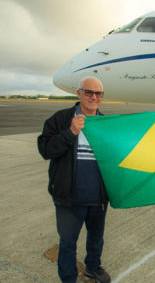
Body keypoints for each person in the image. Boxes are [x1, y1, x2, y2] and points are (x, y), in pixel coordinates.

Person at [38, 76, 111, 283]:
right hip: (69, 197)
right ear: (79, 93)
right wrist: (70, 132)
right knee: (68, 241)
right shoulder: (60, 119)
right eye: (89, 92)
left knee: (96, 239)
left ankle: (92, 268)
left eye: (98, 94)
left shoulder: (105, 123)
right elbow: (45, 149)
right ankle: (69, 278)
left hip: (97, 198)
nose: (94, 97)